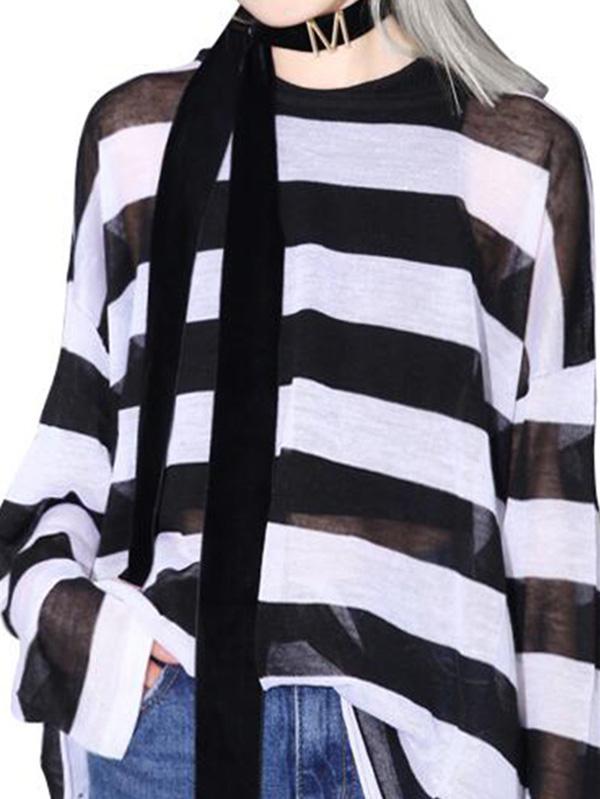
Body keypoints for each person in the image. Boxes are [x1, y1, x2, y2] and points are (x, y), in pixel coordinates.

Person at [0, 0, 598, 797]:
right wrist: (80, 625)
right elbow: (73, 453)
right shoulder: (137, 141)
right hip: (162, 735)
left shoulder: (512, 161)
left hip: (414, 750)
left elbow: (554, 535)